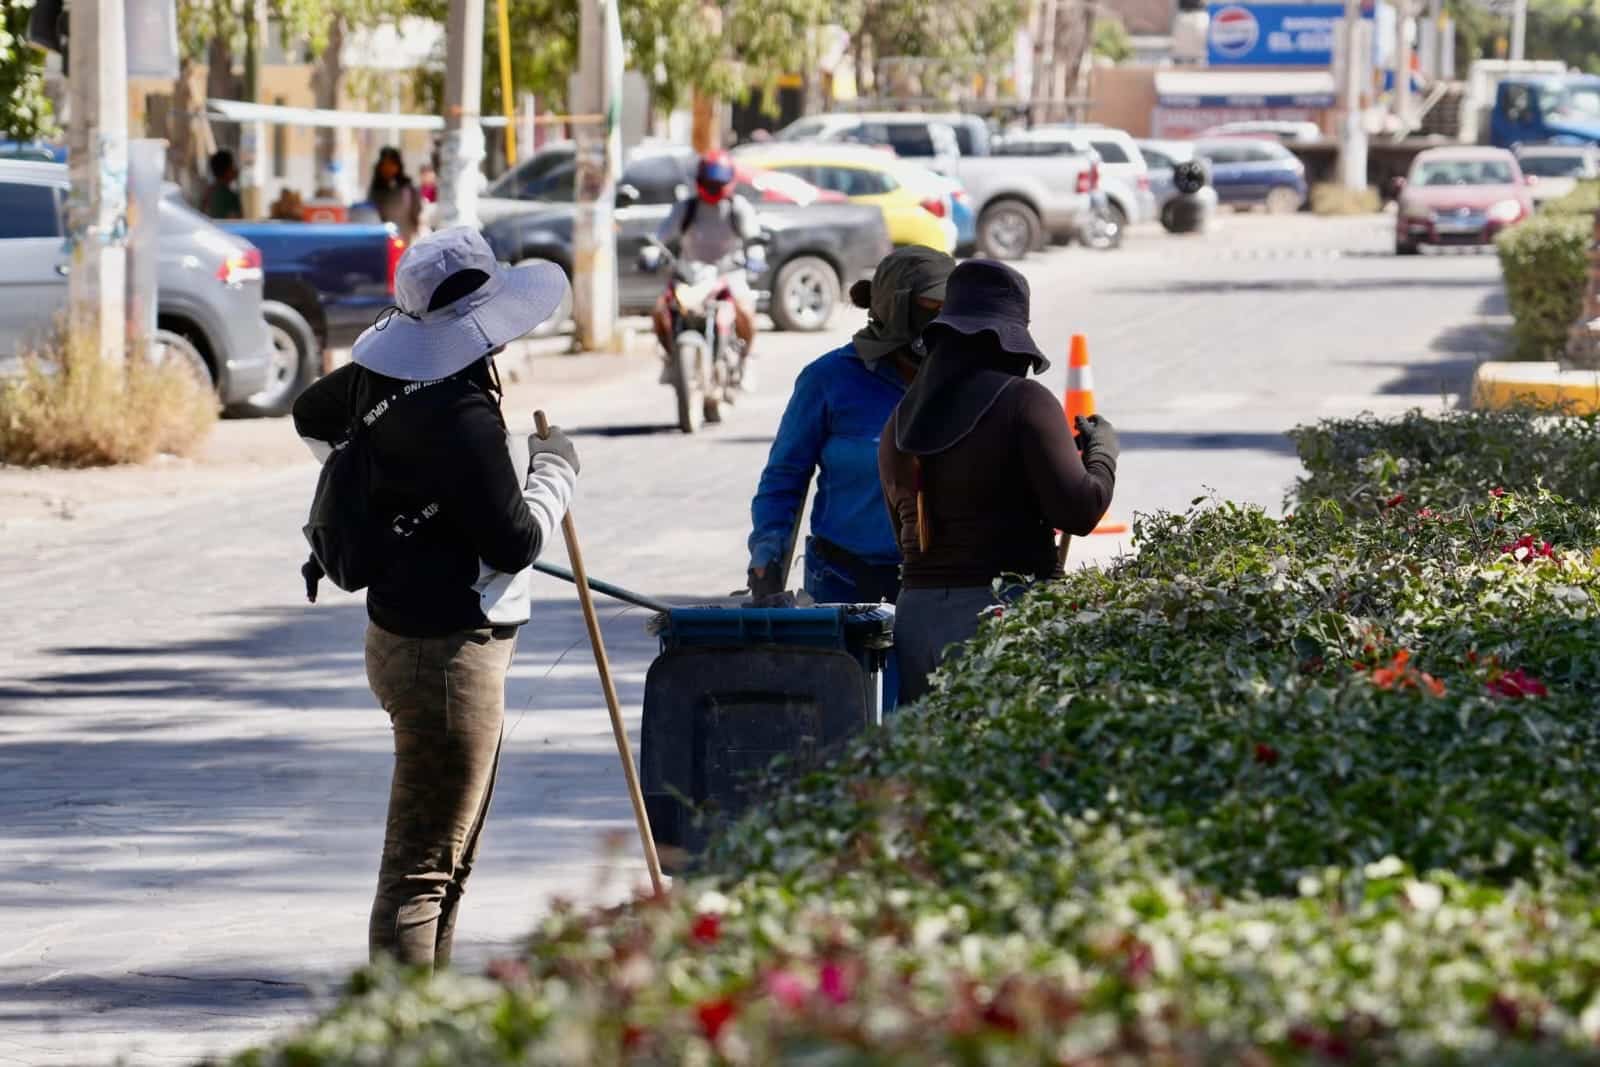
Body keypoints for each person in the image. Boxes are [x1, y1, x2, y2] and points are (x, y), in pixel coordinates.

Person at [291, 227, 575, 971]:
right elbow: (515, 542)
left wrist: (393, 495)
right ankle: (399, 1024)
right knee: (423, 870)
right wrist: (556, 472)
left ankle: (429, 1015)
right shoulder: (464, 416)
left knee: (449, 861)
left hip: (410, 640)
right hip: (445, 657)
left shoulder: (380, 377)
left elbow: (313, 414)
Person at [879, 259, 1120, 705]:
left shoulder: (901, 420)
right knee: (1002, 746)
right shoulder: (1024, 402)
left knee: (932, 746)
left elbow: (905, 533)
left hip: (916, 618)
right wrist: (1103, 452)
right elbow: (1081, 510)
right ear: (1008, 341)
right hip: (998, 615)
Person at [747, 246, 956, 607]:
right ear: (897, 309)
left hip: (942, 583)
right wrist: (768, 552)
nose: (943, 320)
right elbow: (784, 476)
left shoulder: (965, 379)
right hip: (842, 580)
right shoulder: (827, 379)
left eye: (950, 308)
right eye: (931, 307)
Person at [652, 151, 760, 383]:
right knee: (660, 309)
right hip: (692, 275)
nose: (713, 188)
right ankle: (671, 359)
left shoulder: (737, 208)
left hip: (729, 274)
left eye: (717, 183)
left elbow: (754, 239)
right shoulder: (687, 208)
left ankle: (746, 360)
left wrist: (755, 257)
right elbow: (661, 236)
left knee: (745, 311)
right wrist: (651, 253)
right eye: (709, 182)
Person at [368, 146, 422, 241]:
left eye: (391, 164)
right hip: (381, 237)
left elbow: (416, 210)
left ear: (398, 166)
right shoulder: (376, 189)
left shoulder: (407, 188)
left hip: (404, 235)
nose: (388, 168)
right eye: (385, 164)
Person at [202, 149, 243, 220]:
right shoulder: (229, 196)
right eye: (232, 166)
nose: (235, 169)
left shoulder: (208, 193)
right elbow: (235, 221)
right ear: (227, 170)